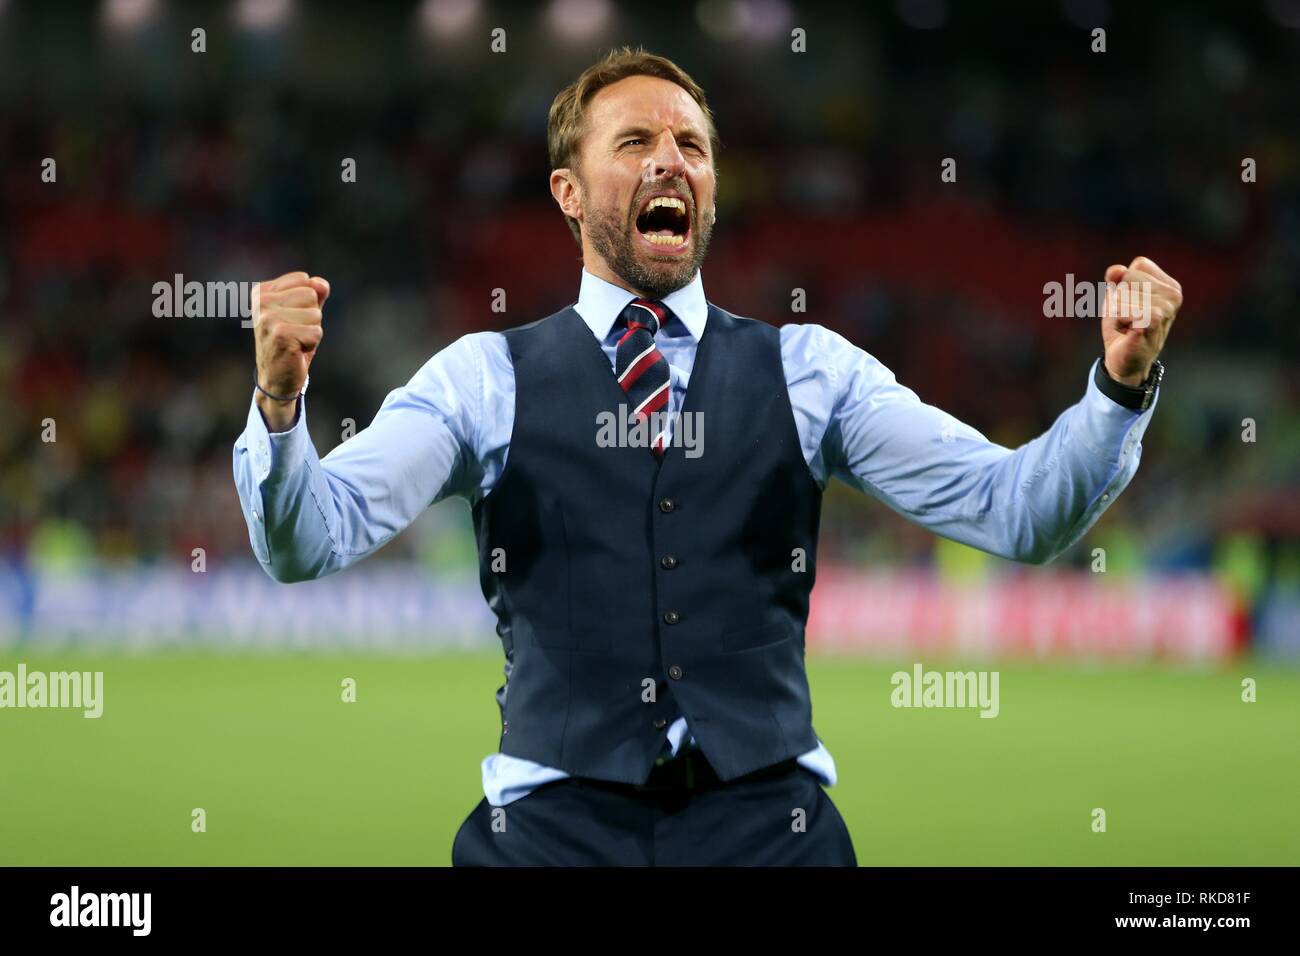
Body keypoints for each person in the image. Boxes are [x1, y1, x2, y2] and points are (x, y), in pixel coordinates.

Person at [233, 47, 1182, 866]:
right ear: (567, 192)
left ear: (714, 189)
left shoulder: (811, 371)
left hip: (774, 828)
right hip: (549, 831)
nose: (670, 163)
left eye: (692, 146)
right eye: (635, 143)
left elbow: (1016, 509)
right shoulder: (484, 379)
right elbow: (310, 539)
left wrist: (1119, 387)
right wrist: (281, 405)